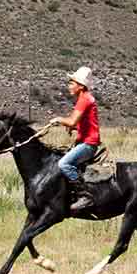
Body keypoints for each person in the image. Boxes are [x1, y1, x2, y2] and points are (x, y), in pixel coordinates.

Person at [48, 67, 101, 213]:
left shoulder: (84, 100)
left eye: (71, 83)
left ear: (80, 85)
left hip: (88, 144)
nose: (69, 86)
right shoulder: (85, 98)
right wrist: (76, 127)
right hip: (87, 141)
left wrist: (59, 119)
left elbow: (71, 121)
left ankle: (85, 195)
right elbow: (85, 123)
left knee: (64, 163)